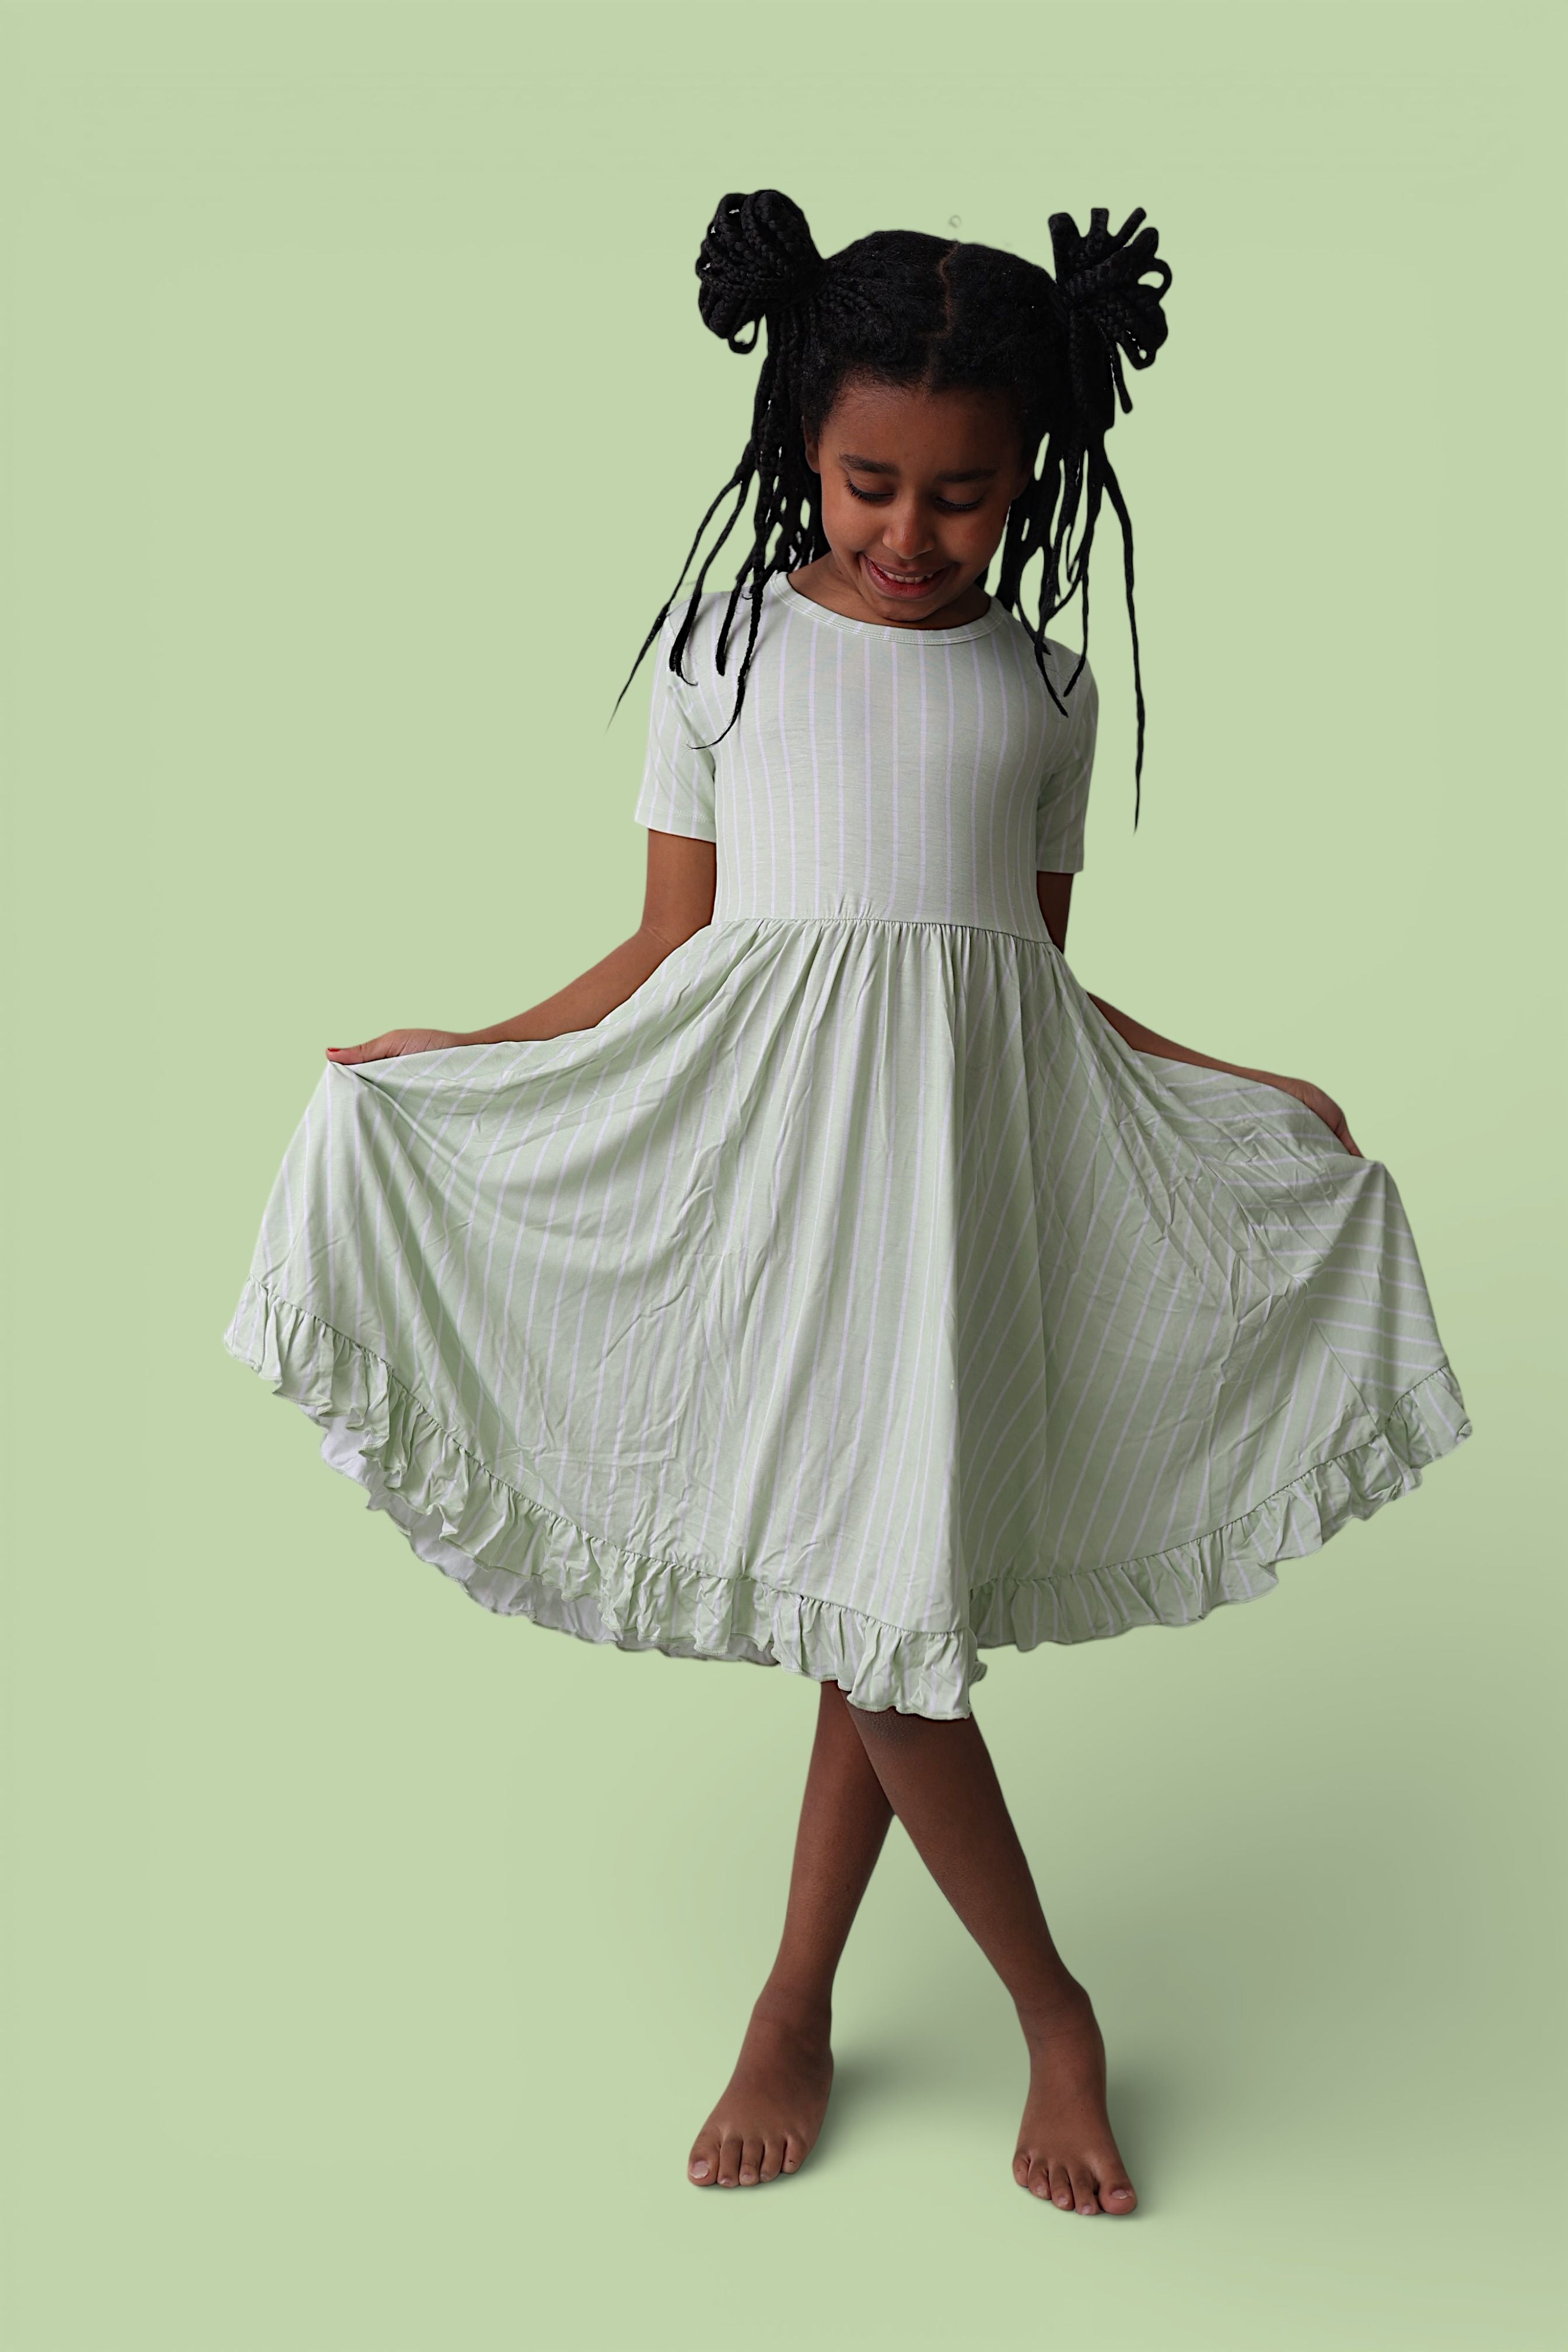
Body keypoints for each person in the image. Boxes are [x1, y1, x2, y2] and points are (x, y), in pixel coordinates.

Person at [224, 191, 1472, 2214]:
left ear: (1032, 474)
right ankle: (1044, 2009)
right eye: (870, 484)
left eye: (961, 496)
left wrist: (1243, 1089)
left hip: (963, 1187)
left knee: (874, 1585)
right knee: (874, 1594)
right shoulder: (726, 652)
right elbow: (663, 948)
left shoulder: (1046, 694)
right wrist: (465, 1054)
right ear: (801, 441)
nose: (910, 533)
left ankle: (802, 2004)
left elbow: (1026, 975)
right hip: (769, 1191)